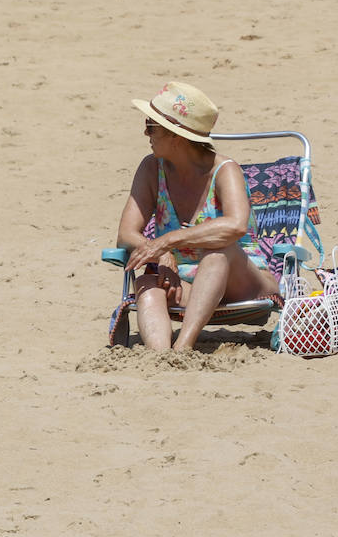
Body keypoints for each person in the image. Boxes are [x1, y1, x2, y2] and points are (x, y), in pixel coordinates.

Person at [116, 81, 278, 351]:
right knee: (147, 281)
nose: (146, 132)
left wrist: (169, 241)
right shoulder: (151, 168)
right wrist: (157, 252)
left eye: (151, 125)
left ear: (175, 135)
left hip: (244, 283)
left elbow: (235, 226)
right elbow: (126, 233)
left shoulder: (226, 170)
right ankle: (160, 356)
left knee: (218, 252)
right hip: (189, 285)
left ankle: (184, 346)